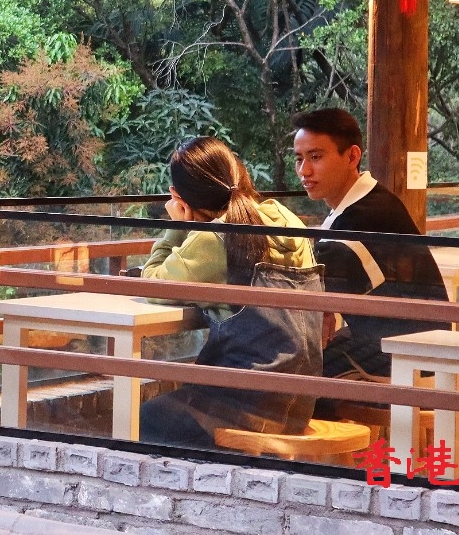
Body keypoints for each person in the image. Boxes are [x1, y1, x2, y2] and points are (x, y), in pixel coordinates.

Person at [136, 137, 323, 449]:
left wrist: (177, 226)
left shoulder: (215, 238)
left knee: (143, 420)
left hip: (243, 406)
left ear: (180, 197)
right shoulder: (284, 217)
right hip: (299, 403)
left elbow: (150, 283)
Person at [291, 108, 447, 380]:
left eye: (315, 157)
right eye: (299, 159)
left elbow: (307, 284)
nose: (304, 170)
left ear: (352, 156)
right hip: (411, 347)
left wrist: (323, 305)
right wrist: (324, 305)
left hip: (408, 359)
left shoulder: (362, 217)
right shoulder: (367, 201)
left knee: (288, 371)